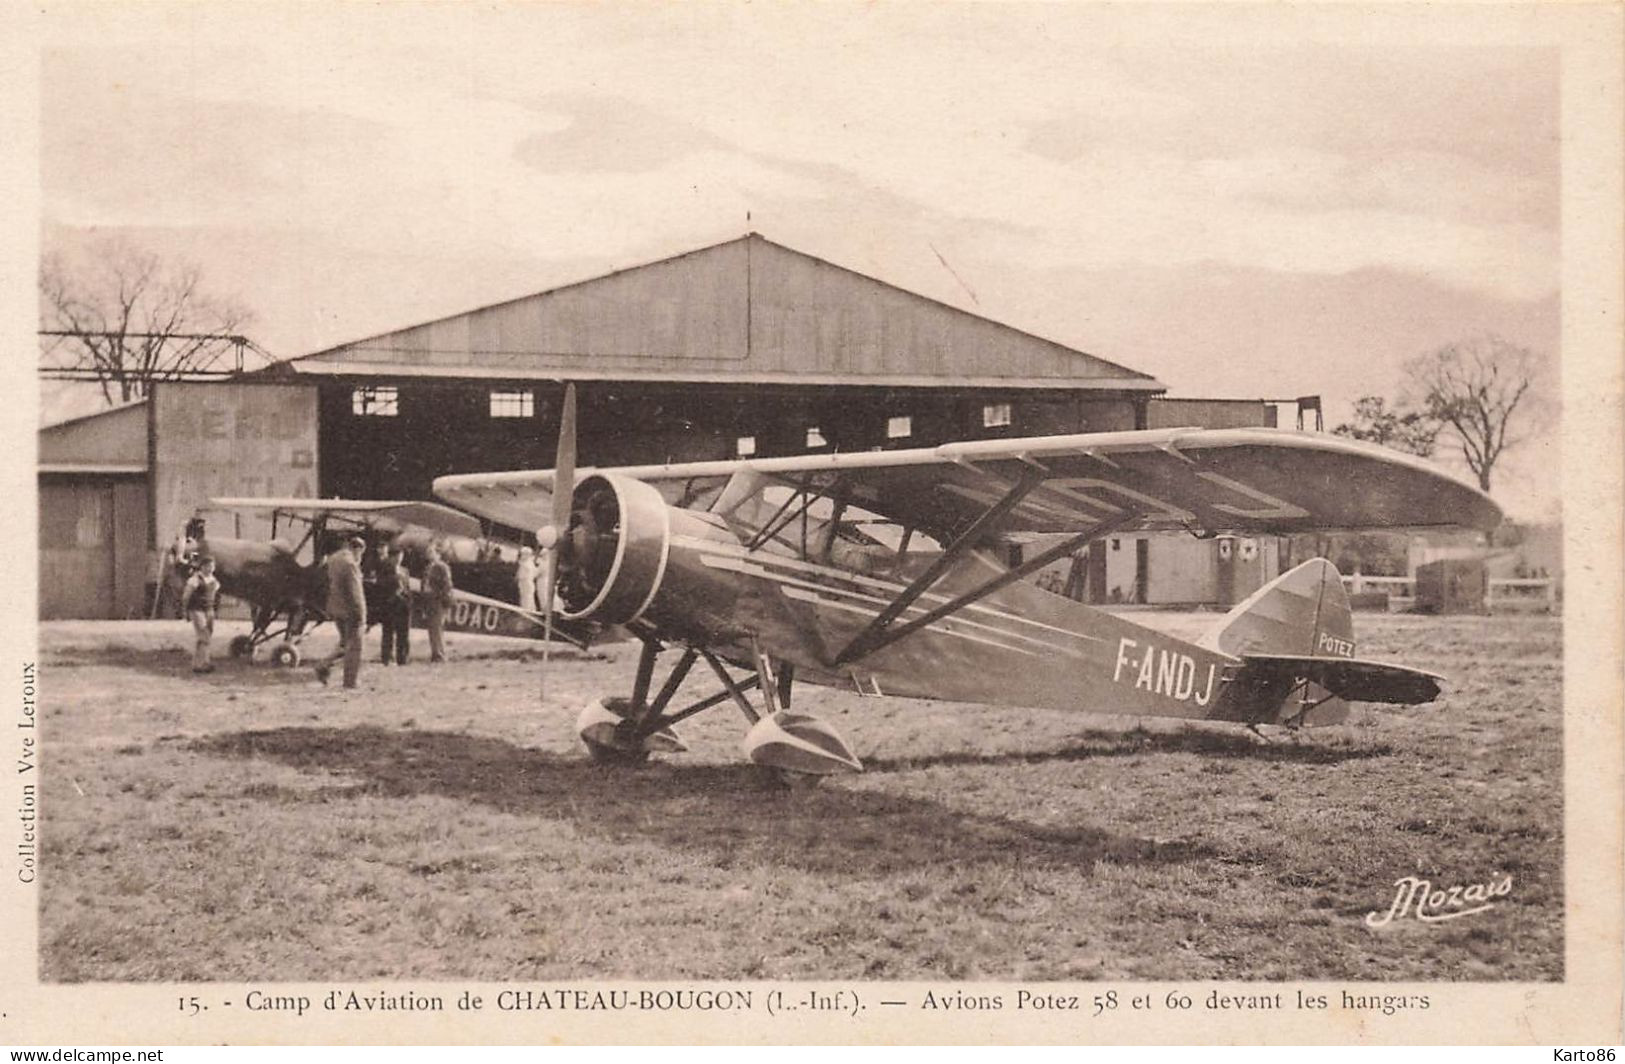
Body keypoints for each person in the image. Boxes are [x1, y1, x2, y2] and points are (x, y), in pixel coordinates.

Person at [315, 535, 368, 688]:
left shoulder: (333, 560)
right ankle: (350, 681)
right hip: (351, 610)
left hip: (336, 608)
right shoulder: (350, 564)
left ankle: (324, 665)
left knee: (345, 643)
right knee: (355, 646)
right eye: (361, 553)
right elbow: (355, 592)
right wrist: (361, 613)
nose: (360, 557)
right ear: (357, 549)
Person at [181, 556, 221, 673]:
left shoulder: (214, 581)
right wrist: (185, 611)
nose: (210, 569)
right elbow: (186, 596)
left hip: (209, 610)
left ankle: (201, 663)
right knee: (204, 635)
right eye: (208, 566)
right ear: (202, 567)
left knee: (206, 636)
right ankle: (202, 664)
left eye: (212, 567)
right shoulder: (194, 580)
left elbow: (214, 596)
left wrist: (214, 610)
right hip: (197, 609)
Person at [375, 542, 412, 665]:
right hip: (390, 604)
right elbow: (381, 584)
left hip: (403, 605)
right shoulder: (385, 568)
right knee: (388, 632)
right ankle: (387, 657)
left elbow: (407, 587)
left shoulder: (405, 571)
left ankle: (402, 658)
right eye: (396, 556)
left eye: (401, 555)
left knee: (403, 633)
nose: (399, 558)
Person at [423, 543, 454, 663]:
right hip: (429, 601)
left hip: (438, 602)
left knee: (437, 628)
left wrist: (442, 598)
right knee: (432, 628)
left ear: (438, 554)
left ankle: (440, 655)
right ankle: (435, 653)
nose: (429, 555)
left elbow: (447, 585)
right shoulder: (428, 567)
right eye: (428, 552)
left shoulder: (442, 567)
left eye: (431, 552)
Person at [515, 546, 538, 613]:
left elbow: (521, 575)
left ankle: (527, 612)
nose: (522, 555)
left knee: (526, 599)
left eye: (523, 554)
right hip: (526, 583)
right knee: (526, 598)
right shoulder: (530, 563)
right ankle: (529, 611)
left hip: (526, 584)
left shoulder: (526, 564)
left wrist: (518, 578)